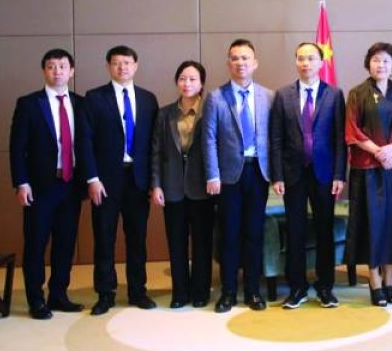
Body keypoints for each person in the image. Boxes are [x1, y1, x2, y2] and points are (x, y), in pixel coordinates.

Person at [77, 45, 159, 315]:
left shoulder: (148, 99)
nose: (122, 67)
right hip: (105, 182)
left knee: (137, 238)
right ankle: (105, 294)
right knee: (104, 238)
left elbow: (154, 145)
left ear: (136, 66)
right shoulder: (94, 98)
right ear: (108, 66)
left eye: (127, 62)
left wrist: (153, 182)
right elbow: (84, 142)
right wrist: (92, 178)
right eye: (116, 63)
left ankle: (138, 291)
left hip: (138, 180)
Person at [8, 48, 86, 319]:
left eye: (62, 66)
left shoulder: (81, 103)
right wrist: (21, 182)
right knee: (36, 243)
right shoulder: (29, 104)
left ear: (71, 71)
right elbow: (17, 148)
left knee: (66, 242)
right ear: (44, 71)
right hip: (40, 186)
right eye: (51, 66)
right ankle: (36, 299)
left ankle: (58, 294)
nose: (57, 71)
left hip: (71, 184)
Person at [268, 43, 347, 309]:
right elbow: (276, 138)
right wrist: (277, 175)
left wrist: (339, 174)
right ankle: (297, 288)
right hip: (293, 174)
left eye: (311, 58)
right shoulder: (283, 95)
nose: (306, 63)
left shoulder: (334, 94)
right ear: (296, 62)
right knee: (296, 230)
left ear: (321, 63)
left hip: (325, 173)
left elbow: (340, 138)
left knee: (325, 229)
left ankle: (325, 287)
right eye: (301, 58)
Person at [344, 42, 392, 307]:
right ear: (368, 64)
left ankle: (390, 280)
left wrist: (391, 149)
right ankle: (374, 281)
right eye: (376, 60)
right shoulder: (357, 93)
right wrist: (378, 152)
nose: (381, 65)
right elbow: (352, 131)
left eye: (386, 61)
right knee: (372, 225)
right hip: (368, 169)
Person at [203, 39, 273, 313]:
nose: (240, 63)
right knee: (229, 234)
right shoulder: (216, 97)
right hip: (228, 176)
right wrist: (212, 175)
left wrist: (276, 174)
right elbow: (209, 138)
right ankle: (228, 292)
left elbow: (275, 138)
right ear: (228, 63)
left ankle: (253, 291)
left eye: (245, 58)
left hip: (258, 172)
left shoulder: (268, 96)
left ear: (255, 63)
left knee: (254, 233)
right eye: (235, 58)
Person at [150, 60, 213, 309]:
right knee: (176, 242)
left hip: (202, 187)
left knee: (202, 243)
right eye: (182, 79)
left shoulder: (210, 110)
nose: (187, 84)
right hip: (172, 186)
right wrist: (156, 185)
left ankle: (200, 292)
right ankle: (180, 292)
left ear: (201, 84)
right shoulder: (164, 114)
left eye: (192, 79)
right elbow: (156, 152)